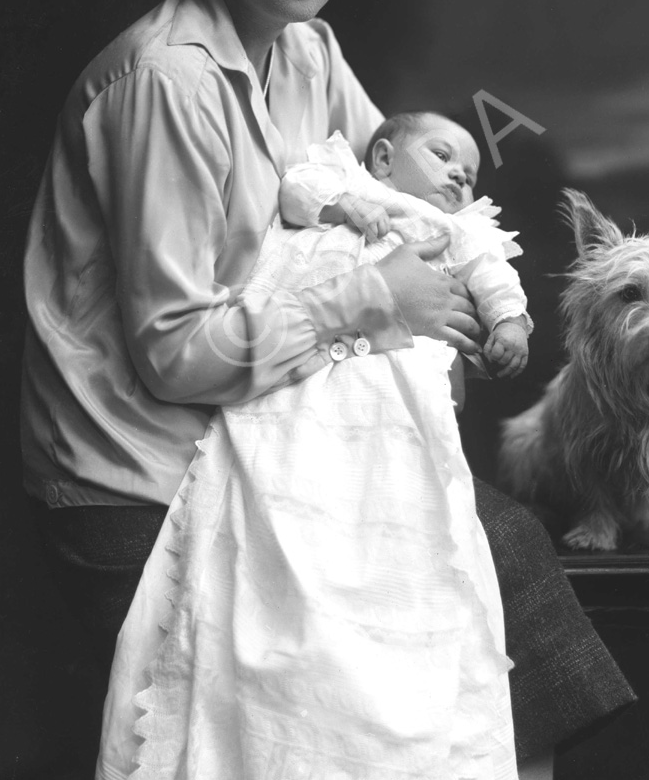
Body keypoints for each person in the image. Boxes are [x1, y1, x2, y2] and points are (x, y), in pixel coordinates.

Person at [21, 0, 635, 776]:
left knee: (499, 560)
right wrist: (376, 303)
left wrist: (457, 294)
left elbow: (396, 212)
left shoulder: (309, 52)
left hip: (275, 441)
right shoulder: (168, 83)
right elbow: (176, 353)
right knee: (312, 710)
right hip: (141, 475)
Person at [97, 113, 531, 779]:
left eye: (467, 172)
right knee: (282, 477)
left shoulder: (456, 230)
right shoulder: (343, 177)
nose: (456, 175)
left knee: (400, 503)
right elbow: (297, 189)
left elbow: (495, 277)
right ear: (382, 157)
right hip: (294, 365)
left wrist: (510, 323)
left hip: (392, 381)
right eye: (442, 154)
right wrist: (343, 202)